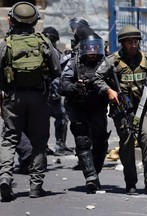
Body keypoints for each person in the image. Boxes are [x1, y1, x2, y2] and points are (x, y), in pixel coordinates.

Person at [0, 1, 61, 201]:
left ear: (12, 20)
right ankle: (36, 186)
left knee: (9, 140)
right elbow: (56, 69)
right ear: (34, 19)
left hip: (13, 97)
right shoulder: (43, 42)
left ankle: (5, 179)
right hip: (38, 97)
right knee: (39, 143)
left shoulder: (5, 44)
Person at [94, 25, 147, 195]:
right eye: (130, 42)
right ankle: (130, 182)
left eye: (136, 41)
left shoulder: (145, 58)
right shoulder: (113, 61)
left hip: (143, 107)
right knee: (127, 146)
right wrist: (108, 90)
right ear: (123, 43)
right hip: (123, 110)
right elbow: (97, 77)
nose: (133, 45)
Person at [58, 28, 110, 193]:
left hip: (98, 109)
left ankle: (95, 171)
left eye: (95, 48)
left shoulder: (106, 62)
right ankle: (90, 177)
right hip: (78, 107)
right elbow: (62, 85)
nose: (92, 52)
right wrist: (74, 87)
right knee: (82, 141)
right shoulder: (74, 62)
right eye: (89, 48)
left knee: (101, 142)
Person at [42, 26, 72, 156]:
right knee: (62, 117)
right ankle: (60, 145)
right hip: (50, 94)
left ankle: (42, 146)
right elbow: (57, 72)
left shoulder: (38, 50)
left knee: (40, 122)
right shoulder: (53, 52)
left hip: (39, 93)